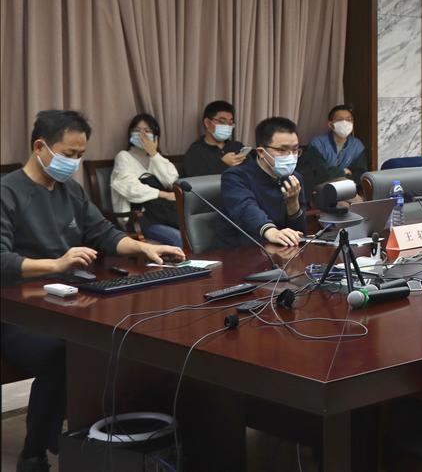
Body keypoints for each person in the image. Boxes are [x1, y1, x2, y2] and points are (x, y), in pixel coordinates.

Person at [1, 110, 184, 472]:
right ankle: (34, 453)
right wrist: (55, 264)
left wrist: (143, 248)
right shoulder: (7, 192)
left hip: (68, 301)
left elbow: (104, 234)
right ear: (40, 147)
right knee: (63, 353)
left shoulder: (71, 190)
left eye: (80, 155)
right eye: (69, 154)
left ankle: (101, 441)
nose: (75, 162)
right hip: (18, 311)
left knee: (120, 334)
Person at [222, 117, 307, 247]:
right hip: (242, 249)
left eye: (295, 150)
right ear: (261, 152)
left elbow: (300, 234)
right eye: (282, 150)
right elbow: (246, 209)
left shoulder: (294, 178)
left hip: (281, 250)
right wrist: (271, 232)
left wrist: (293, 205)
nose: (290, 156)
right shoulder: (235, 176)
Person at [110, 113, 182, 247]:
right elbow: (131, 188)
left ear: (156, 136)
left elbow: (171, 181)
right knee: (179, 239)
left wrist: (154, 154)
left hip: (164, 214)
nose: (142, 135)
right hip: (139, 218)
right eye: (137, 130)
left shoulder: (157, 158)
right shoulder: (124, 157)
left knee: (195, 236)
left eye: (147, 131)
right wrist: (164, 194)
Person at [302, 104, 368, 186]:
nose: (345, 123)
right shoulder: (317, 143)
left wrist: (341, 177)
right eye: (340, 119)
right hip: (323, 188)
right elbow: (319, 172)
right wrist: (343, 172)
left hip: (348, 187)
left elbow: (360, 174)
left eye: (348, 119)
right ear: (330, 124)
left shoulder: (357, 145)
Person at [181, 100, 246, 177]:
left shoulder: (237, 146)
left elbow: (252, 172)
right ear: (207, 123)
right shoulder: (195, 152)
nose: (227, 126)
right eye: (222, 121)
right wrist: (224, 164)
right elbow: (197, 181)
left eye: (230, 122)